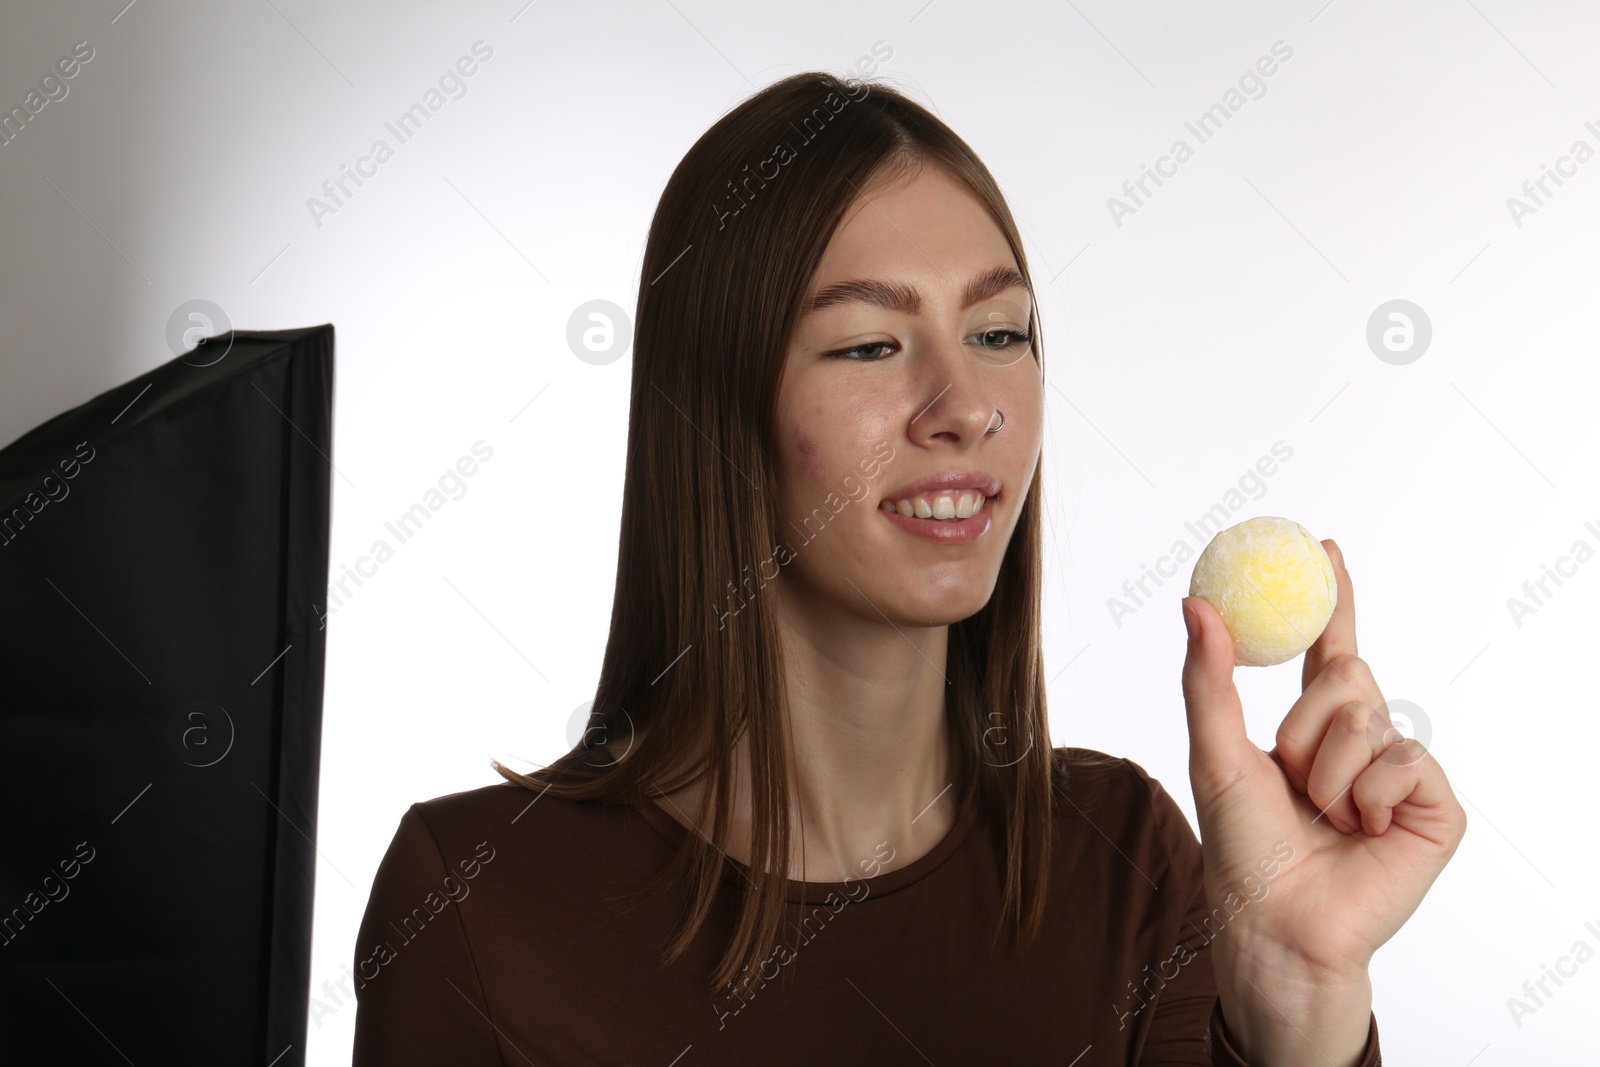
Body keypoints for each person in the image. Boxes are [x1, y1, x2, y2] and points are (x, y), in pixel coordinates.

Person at [350, 69, 1466, 1065]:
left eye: (998, 332)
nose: (969, 406)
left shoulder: (1127, 860)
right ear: (715, 410)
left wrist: (1297, 1005)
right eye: (870, 344)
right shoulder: (471, 903)